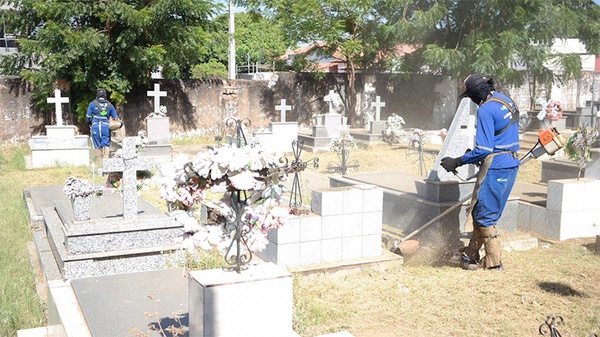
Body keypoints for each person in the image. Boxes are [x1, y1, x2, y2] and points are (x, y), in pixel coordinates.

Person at [440, 74, 520, 271]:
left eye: (470, 96)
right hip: (510, 163)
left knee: (485, 216)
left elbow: (484, 150)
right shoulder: (505, 100)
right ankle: (470, 255)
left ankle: (493, 263)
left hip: (496, 167)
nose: (472, 101)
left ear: (475, 93)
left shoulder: (485, 110)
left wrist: (457, 161)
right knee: (479, 210)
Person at [87, 88, 119, 161]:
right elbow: (115, 118)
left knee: (96, 143)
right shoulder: (110, 105)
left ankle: (99, 161)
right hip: (105, 126)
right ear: (105, 95)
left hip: (95, 126)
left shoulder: (92, 104)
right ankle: (106, 161)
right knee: (106, 143)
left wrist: (90, 123)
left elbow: (88, 117)